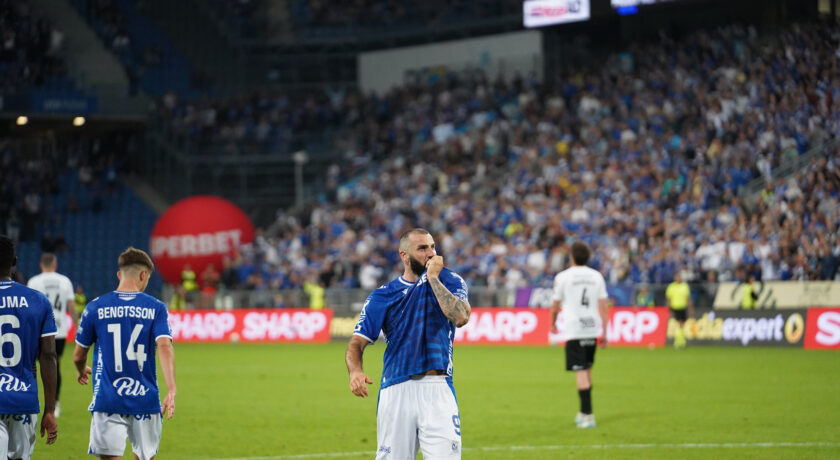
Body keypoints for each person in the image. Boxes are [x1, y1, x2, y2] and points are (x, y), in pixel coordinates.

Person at [346, 228, 471, 459]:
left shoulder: (449, 280)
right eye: (422, 248)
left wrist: (433, 278)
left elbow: (461, 317)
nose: (431, 253)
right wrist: (355, 371)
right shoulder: (383, 295)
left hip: (438, 389)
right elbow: (357, 342)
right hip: (396, 390)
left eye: (433, 247)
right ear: (404, 255)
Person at [73, 247, 176, 460]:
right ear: (143, 274)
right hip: (146, 400)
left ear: (119, 274)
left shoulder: (94, 307)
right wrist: (171, 389)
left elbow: (77, 355)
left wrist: (81, 370)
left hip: (107, 400)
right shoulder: (156, 308)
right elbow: (165, 346)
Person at [0, 235, 59, 458]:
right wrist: (50, 410)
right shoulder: (38, 301)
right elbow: (49, 355)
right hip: (23, 402)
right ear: (14, 261)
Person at [550, 241, 608, 429]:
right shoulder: (596, 276)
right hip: (592, 328)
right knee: (588, 370)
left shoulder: (563, 277)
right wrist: (605, 332)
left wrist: (552, 324)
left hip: (574, 330)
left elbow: (555, 305)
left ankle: (588, 415)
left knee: (581, 372)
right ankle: (583, 411)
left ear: (572, 257)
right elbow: (604, 306)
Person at [26, 253, 76, 417]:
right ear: (55, 265)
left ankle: (31, 400)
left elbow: (29, 308)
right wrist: (77, 326)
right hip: (58, 330)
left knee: (32, 365)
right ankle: (55, 403)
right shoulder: (65, 281)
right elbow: (71, 306)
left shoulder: (33, 281)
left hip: (38, 330)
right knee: (55, 366)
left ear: (41, 265)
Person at [665, 271, 693, 349]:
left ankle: (680, 340)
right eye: (677, 277)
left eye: (679, 277)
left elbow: (688, 298)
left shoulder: (685, 286)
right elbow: (669, 299)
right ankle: (679, 341)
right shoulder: (671, 287)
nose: (678, 278)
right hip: (675, 308)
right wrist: (669, 310)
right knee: (679, 324)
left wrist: (690, 308)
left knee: (682, 324)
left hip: (683, 308)